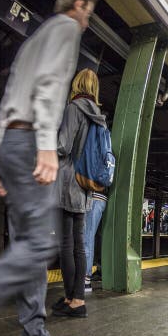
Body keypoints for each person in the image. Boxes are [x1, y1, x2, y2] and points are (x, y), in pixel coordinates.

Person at [0, 0, 98, 336]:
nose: (88, 21)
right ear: (79, 5)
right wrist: (47, 146)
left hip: (12, 141)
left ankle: (34, 333)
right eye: (89, 12)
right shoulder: (65, 29)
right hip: (32, 139)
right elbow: (49, 88)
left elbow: (13, 90)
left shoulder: (37, 37)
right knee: (40, 243)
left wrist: (4, 160)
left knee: (25, 243)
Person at [52, 68, 106, 318]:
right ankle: (76, 298)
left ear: (76, 84)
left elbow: (63, 145)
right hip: (85, 186)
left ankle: (73, 299)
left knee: (66, 243)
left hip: (67, 181)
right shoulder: (98, 116)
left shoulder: (74, 108)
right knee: (79, 244)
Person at [84, 189, 108, 292]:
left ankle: (86, 281)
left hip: (94, 197)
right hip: (98, 198)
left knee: (87, 238)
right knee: (91, 237)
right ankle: (88, 276)